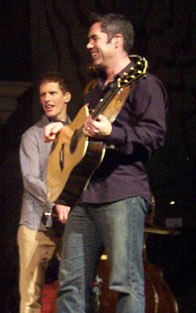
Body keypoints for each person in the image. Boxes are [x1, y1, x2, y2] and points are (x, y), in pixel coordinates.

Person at [44, 13, 168, 312]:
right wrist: (65, 130)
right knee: (70, 284)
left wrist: (114, 133)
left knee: (126, 283)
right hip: (84, 196)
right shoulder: (97, 90)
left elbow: (154, 135)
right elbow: (84, 137)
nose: (88, 45)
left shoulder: (144, 85)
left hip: (122, 193)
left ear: (117, 41)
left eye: (94, 39)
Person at [17, 73, 72, 313]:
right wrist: (57, 201)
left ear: (66, 97)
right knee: (30, 298)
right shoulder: (32, 136)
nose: (47, 99)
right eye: (43, 95)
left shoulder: (78, 135)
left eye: (53, 93)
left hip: (72, 224)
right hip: (35, 224)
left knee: (75, 291)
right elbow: (30, 179)